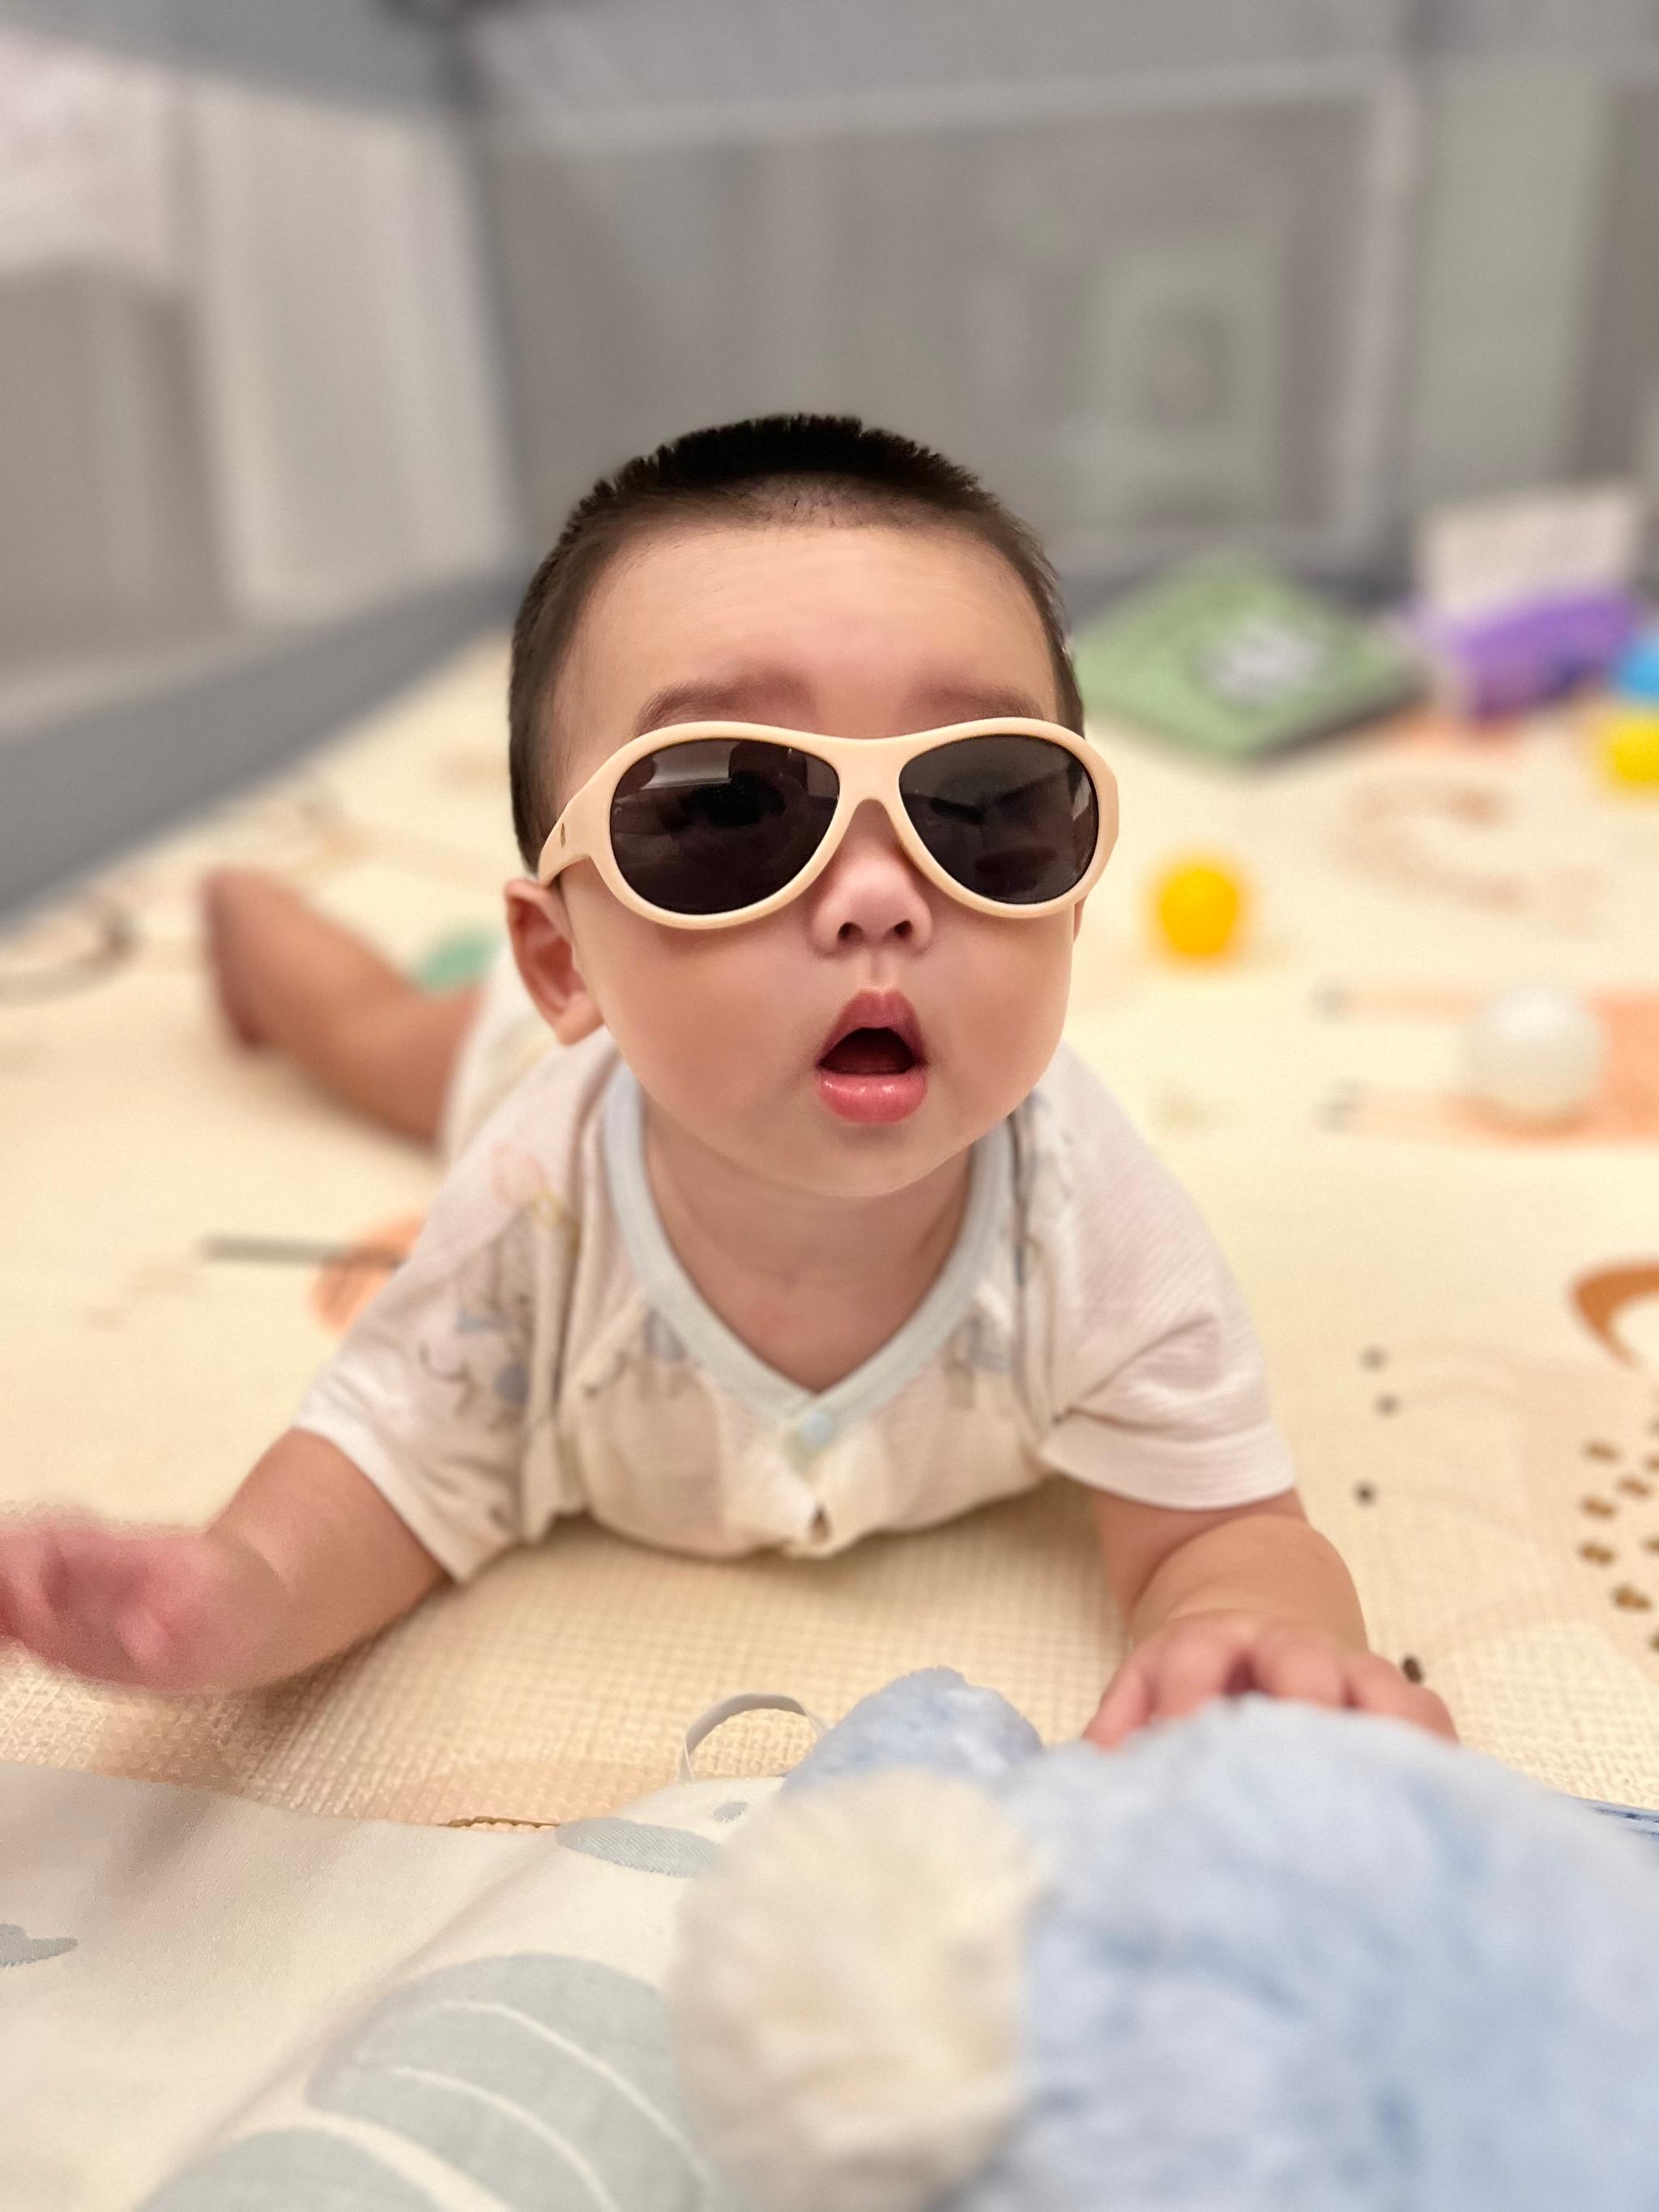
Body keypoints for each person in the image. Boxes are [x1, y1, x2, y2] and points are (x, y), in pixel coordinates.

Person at [0, 416, 1453, 1748]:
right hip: (517, 1065)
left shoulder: (1095, 1221)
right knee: (375, 1029)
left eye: (983, 805)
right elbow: (373, 1478)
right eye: (723, 812)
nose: (880, 899)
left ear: (1070, 905)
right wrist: (226, 1598)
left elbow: (1223, 1532)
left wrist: (1249, 1636)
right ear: (564, 957)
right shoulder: (536, 1202)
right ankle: (261, 928)